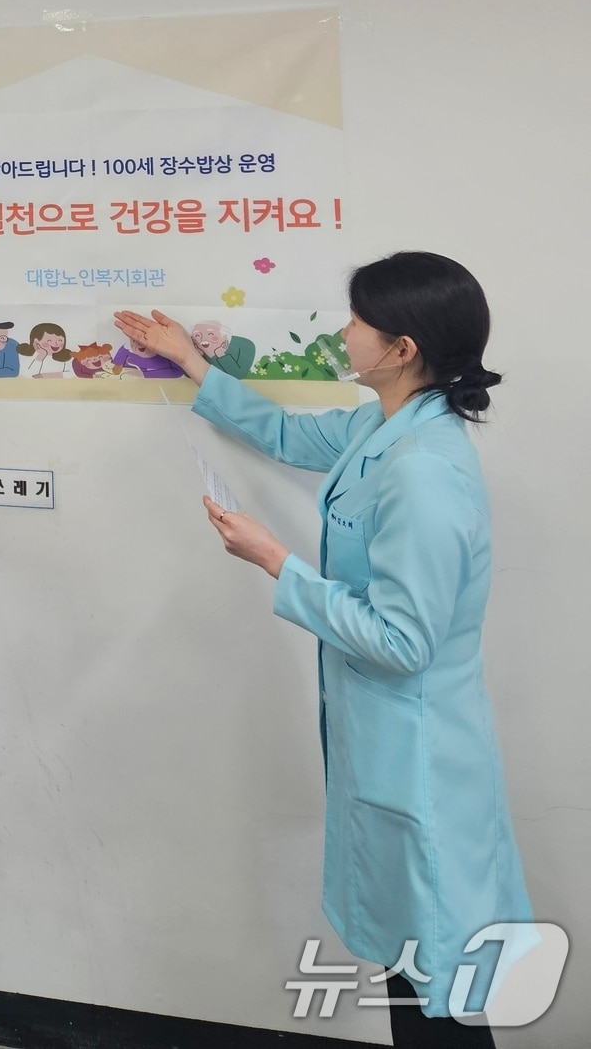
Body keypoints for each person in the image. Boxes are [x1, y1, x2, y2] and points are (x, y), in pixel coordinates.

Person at [116, 252, 532, 1047]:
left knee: (435, 983)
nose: (344, 332)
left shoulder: (424, 472)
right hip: (389, 748)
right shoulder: (388, 426)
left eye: (357, 321)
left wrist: (277, 561)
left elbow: (403, 641)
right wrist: (191, 363)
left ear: (401, 346)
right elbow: (288, 432)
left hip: (420, 760)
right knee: (414, 969)